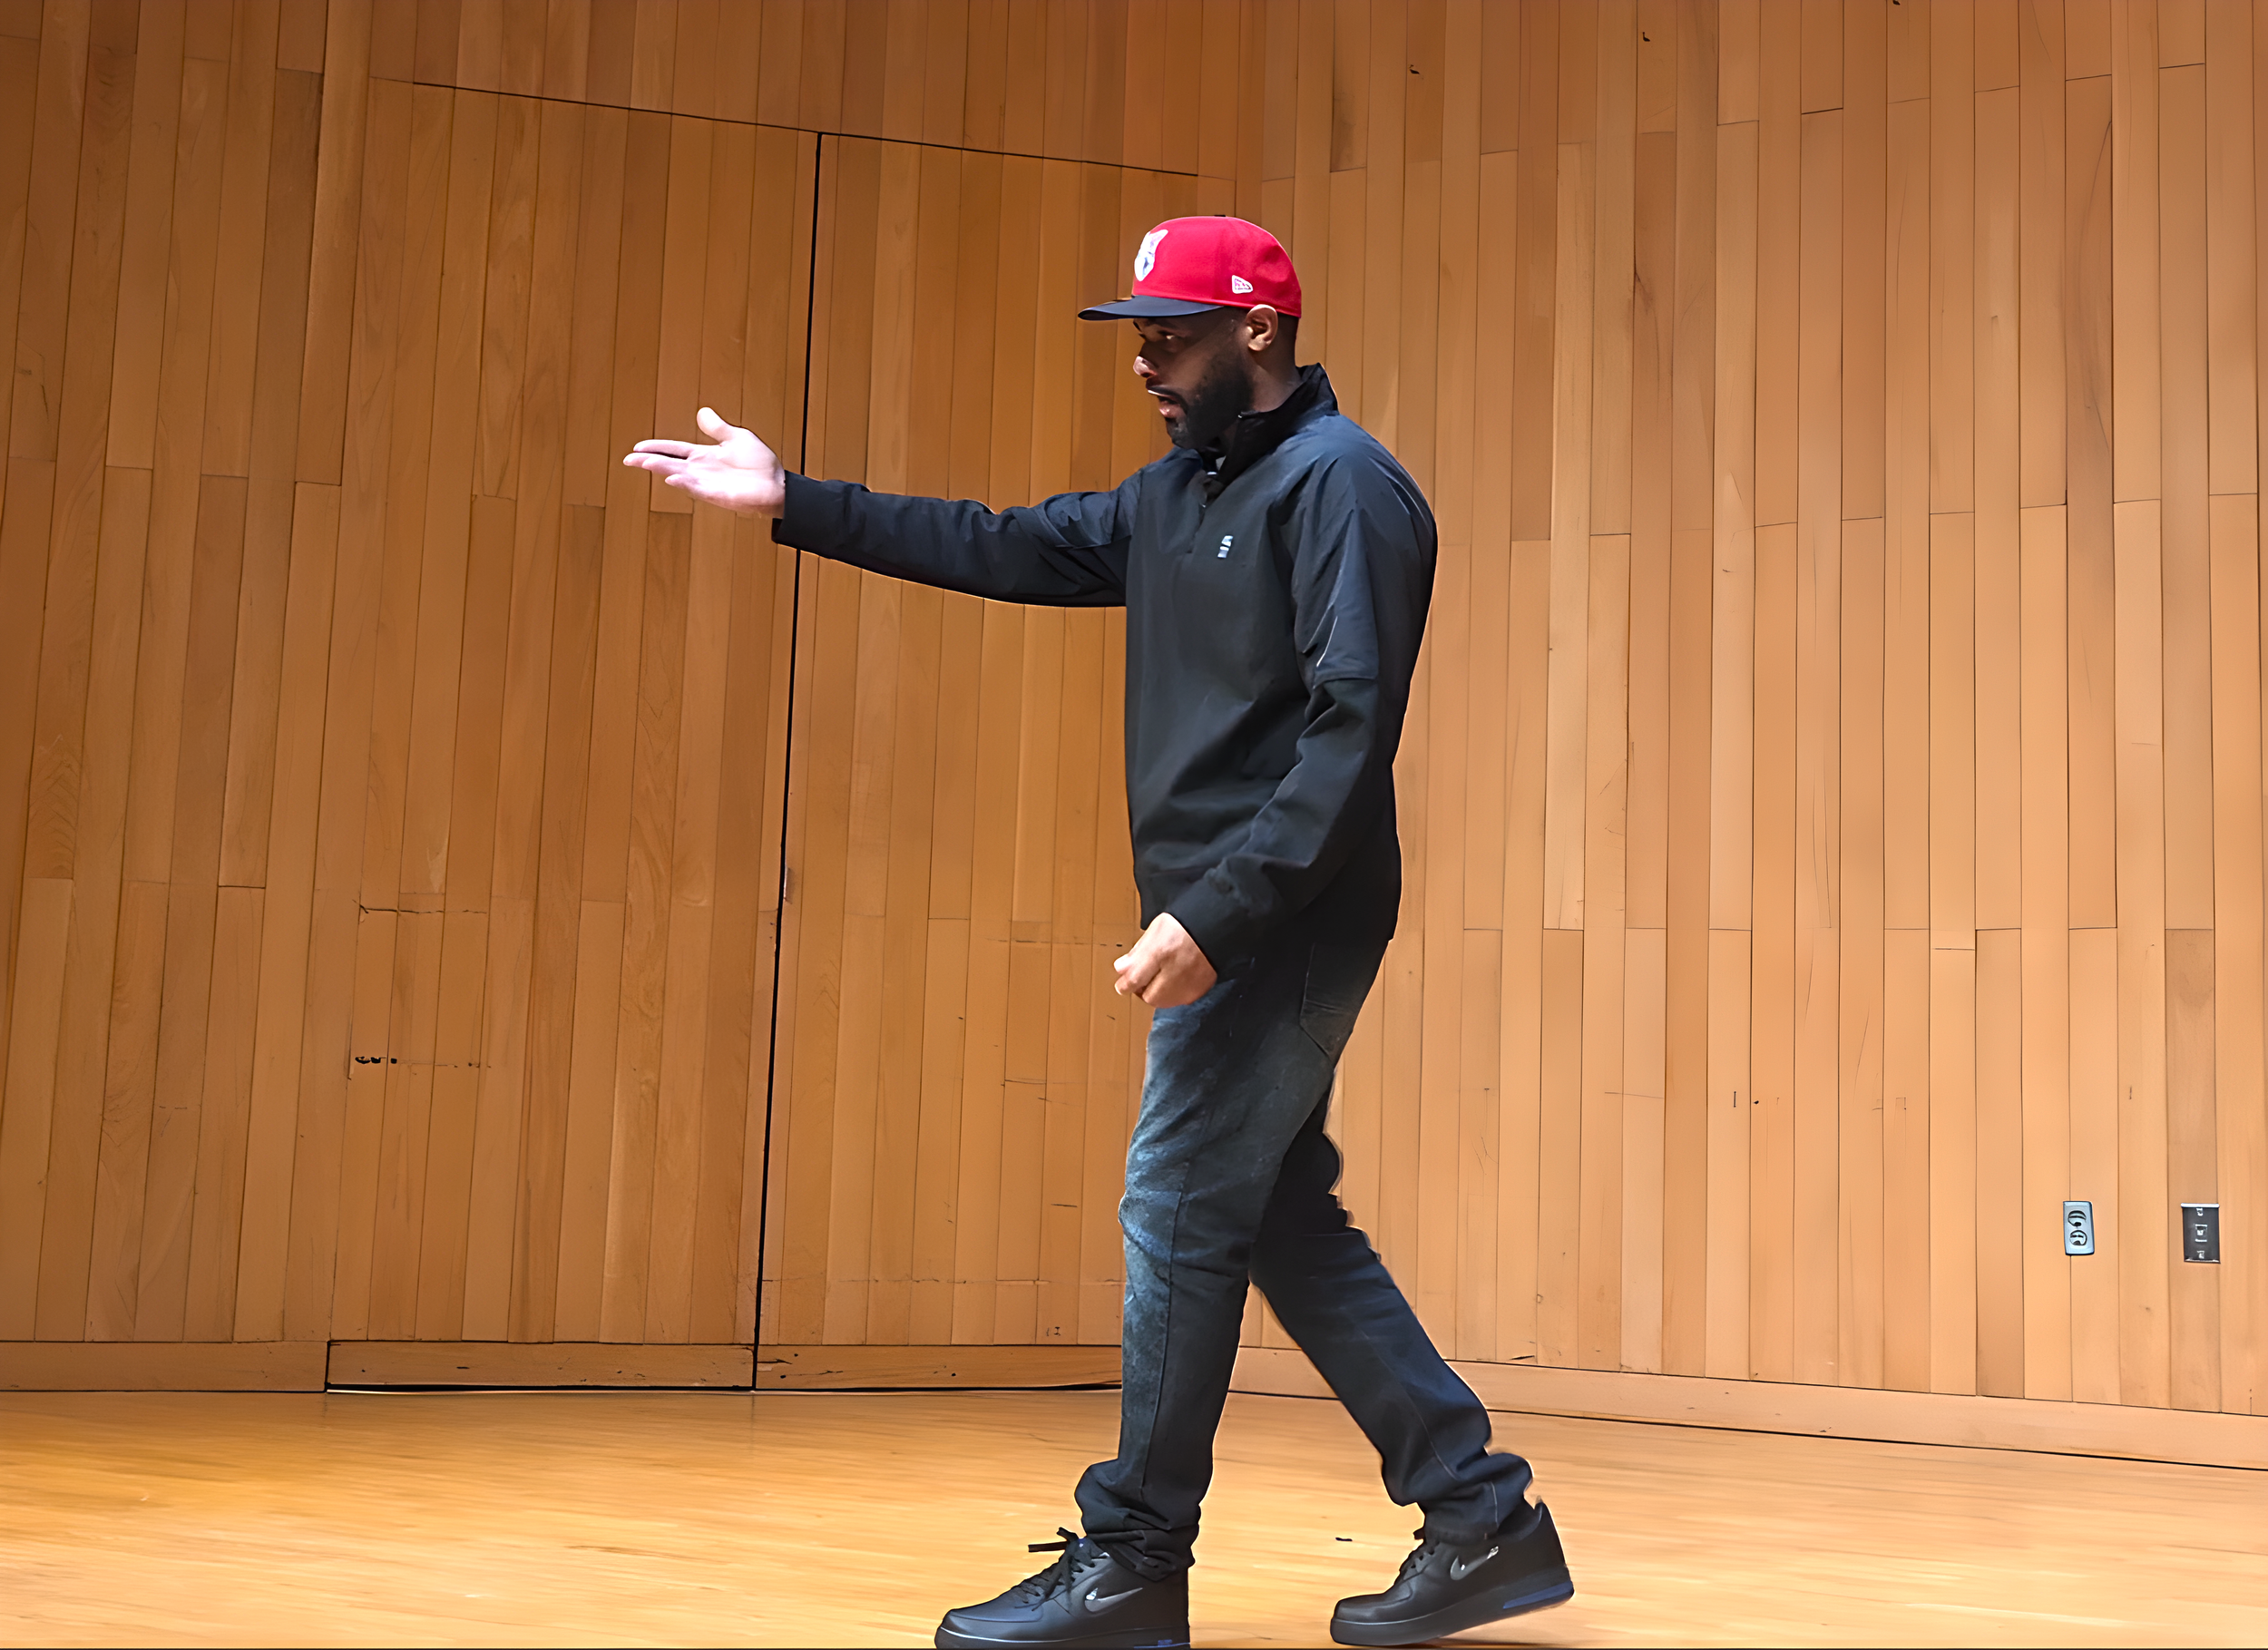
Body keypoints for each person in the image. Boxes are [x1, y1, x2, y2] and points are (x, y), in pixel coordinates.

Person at [625, 216, 1572, 1650]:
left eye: (1170, 330)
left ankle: (1135, 1559)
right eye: (1135, 331)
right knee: (1268, 1215)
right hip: (1221, 917)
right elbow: (1000, 545)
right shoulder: (1172, 497)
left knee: (1177, 1204)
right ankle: (1480, 1512)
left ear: (1259, 330)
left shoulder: (1346, 488)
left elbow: (1347, 731)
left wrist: (1219, 910)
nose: (1143, 355)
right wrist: (789, 499)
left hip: (1279, 916)